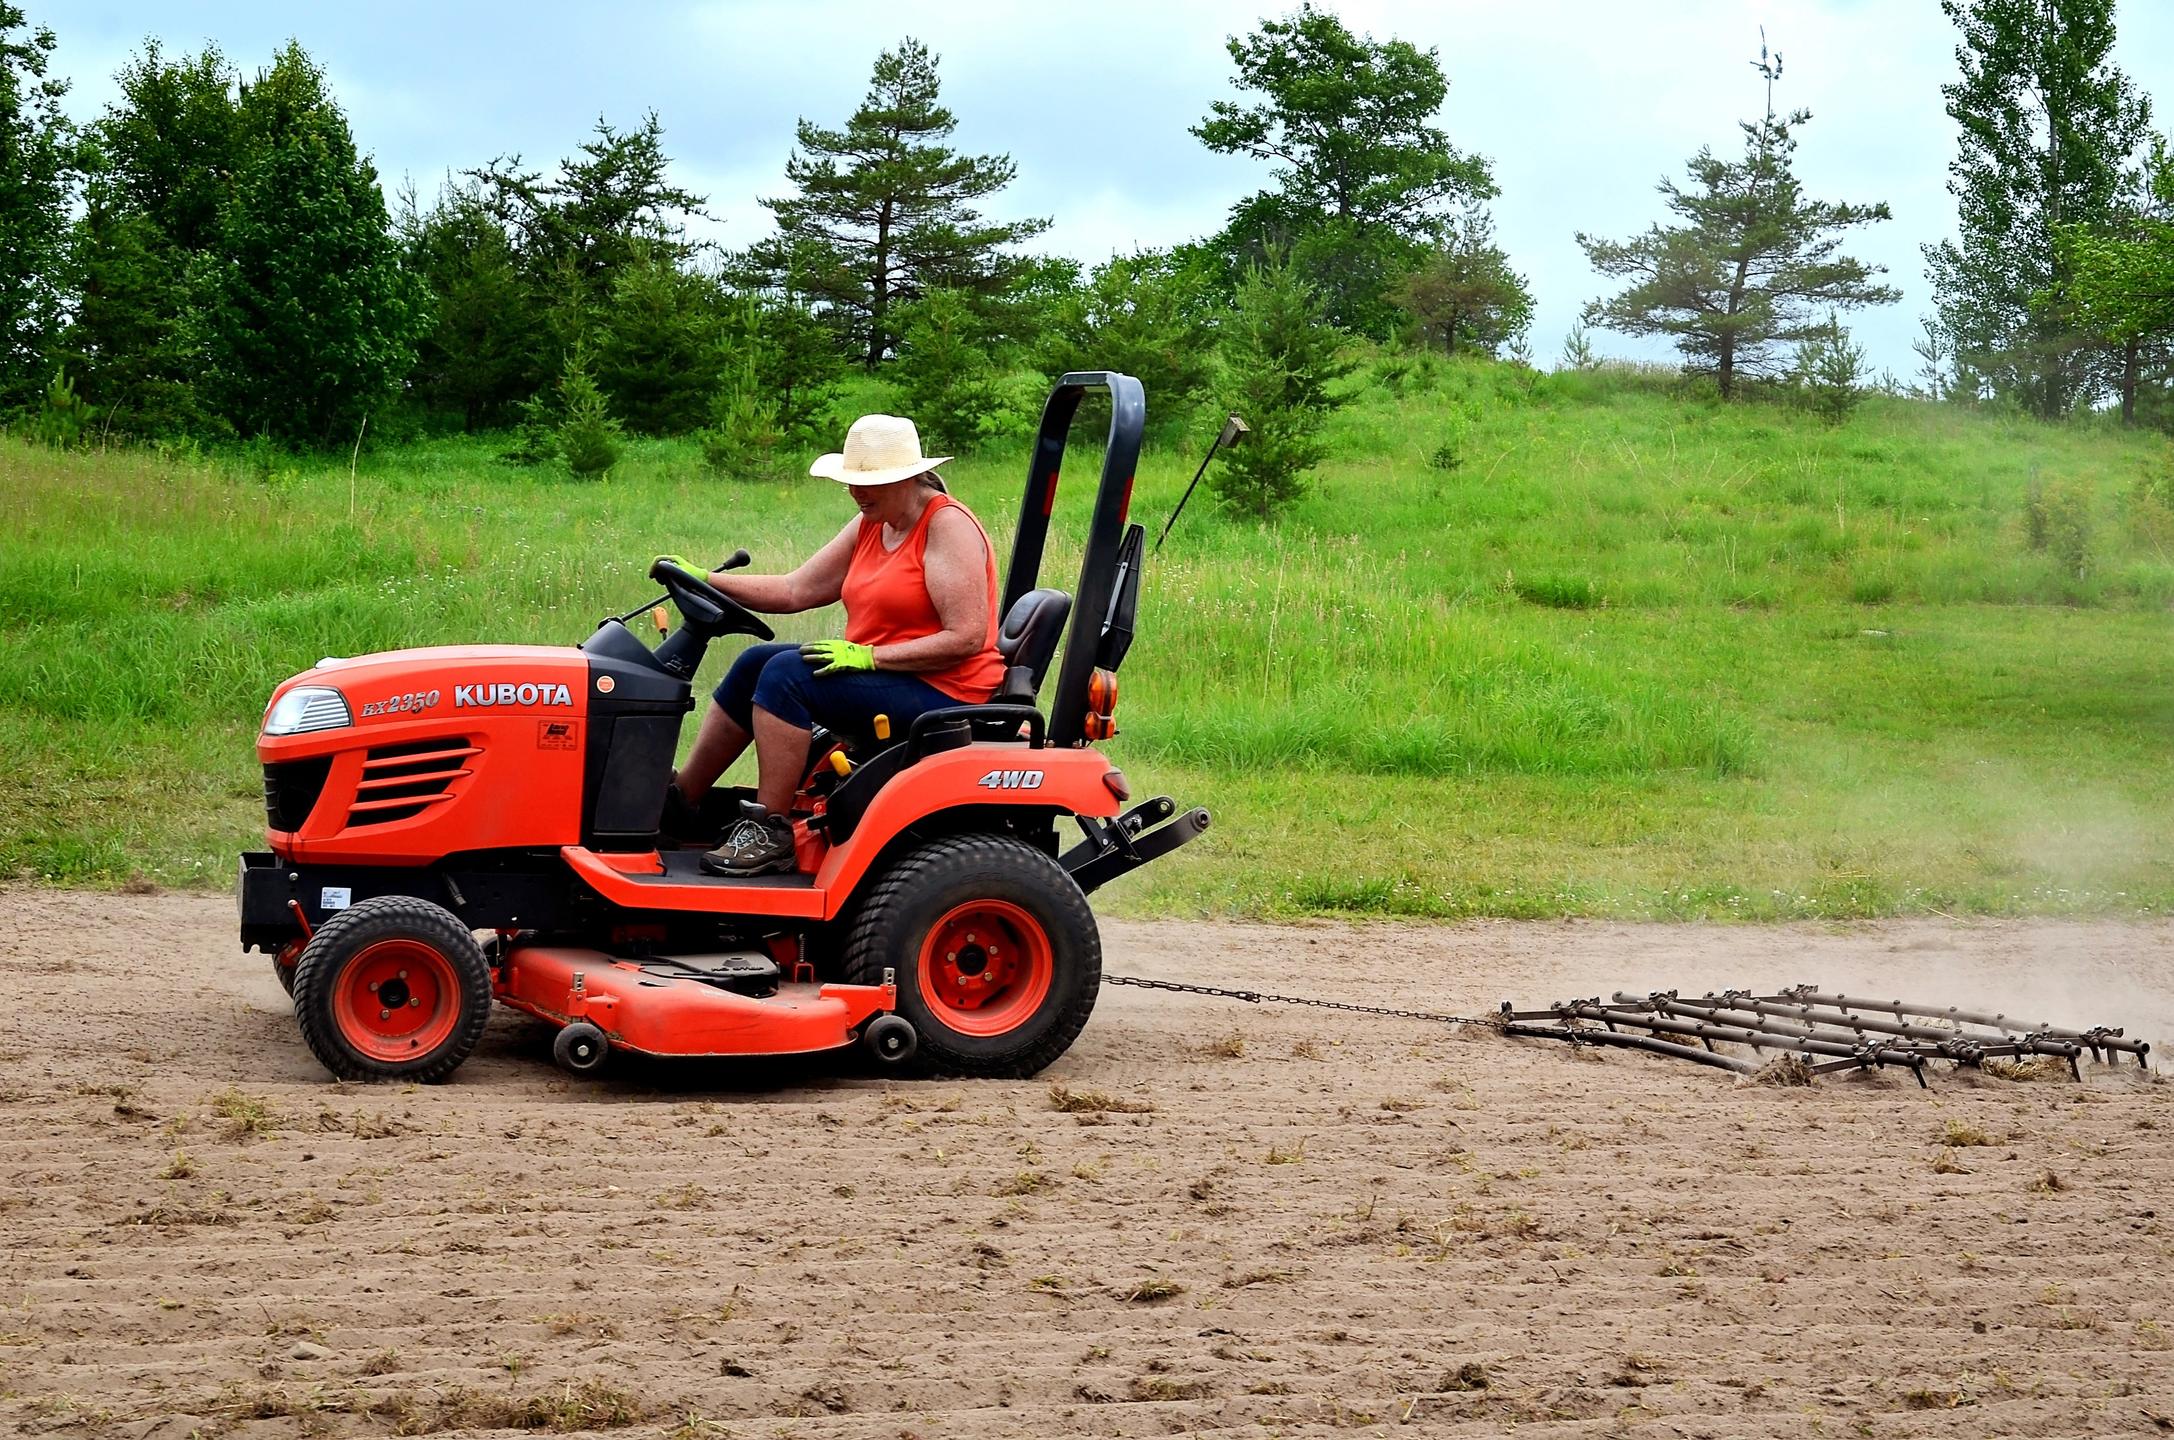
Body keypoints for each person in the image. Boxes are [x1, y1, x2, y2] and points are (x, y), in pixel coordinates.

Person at [658, 413, 1003, 877]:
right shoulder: (873, 523)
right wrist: (705, 578)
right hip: (890, 674)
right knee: (755, 662)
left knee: (787, 677)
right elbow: (795, 589)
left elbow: (966, 637)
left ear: (906, 477)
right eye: (851, 481)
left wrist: (868, 656)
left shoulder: (946, 528)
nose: (857, 492)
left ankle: (770, 830)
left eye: (869, 482)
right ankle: (681, 804)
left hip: (945, 690)